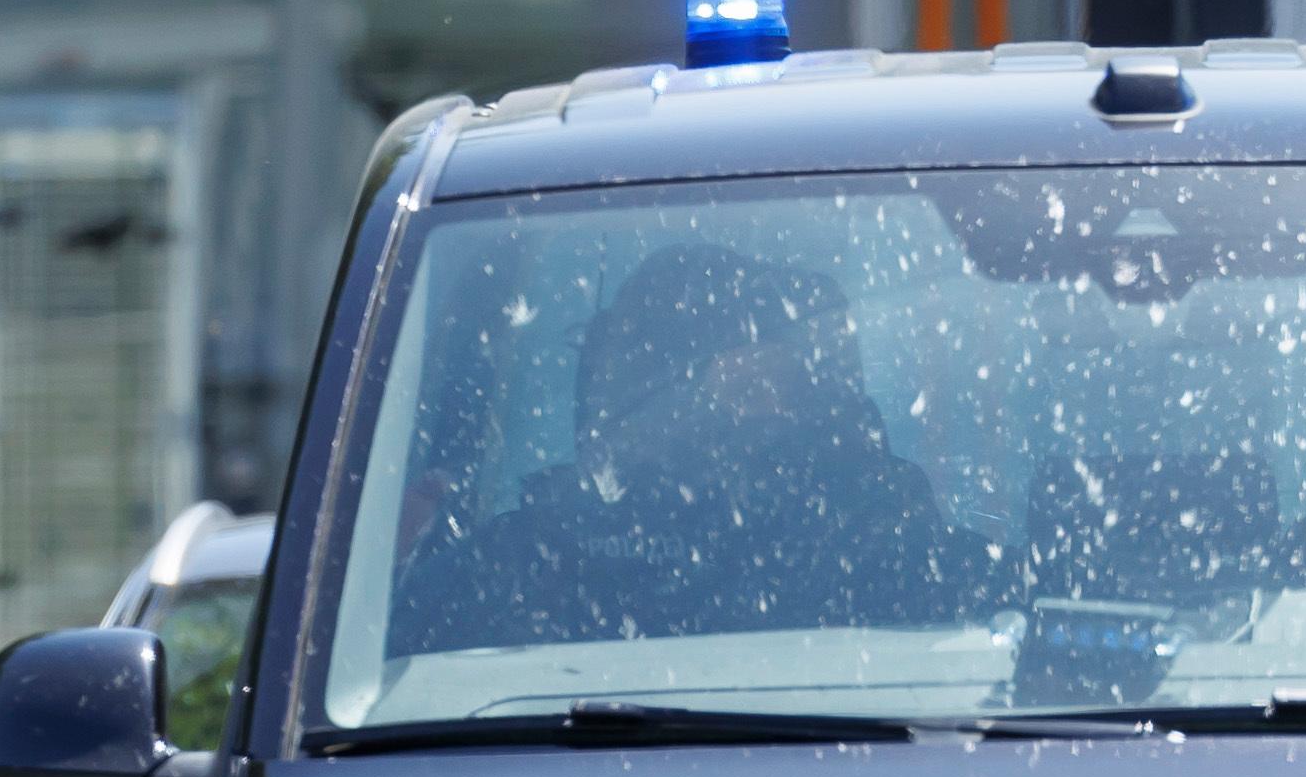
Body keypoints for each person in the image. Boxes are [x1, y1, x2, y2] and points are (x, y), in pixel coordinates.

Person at [400, 242, 970, 647]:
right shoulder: (529, 563)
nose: (757, 411)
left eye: (760, 384)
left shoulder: (880, 542)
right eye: (737, 385)